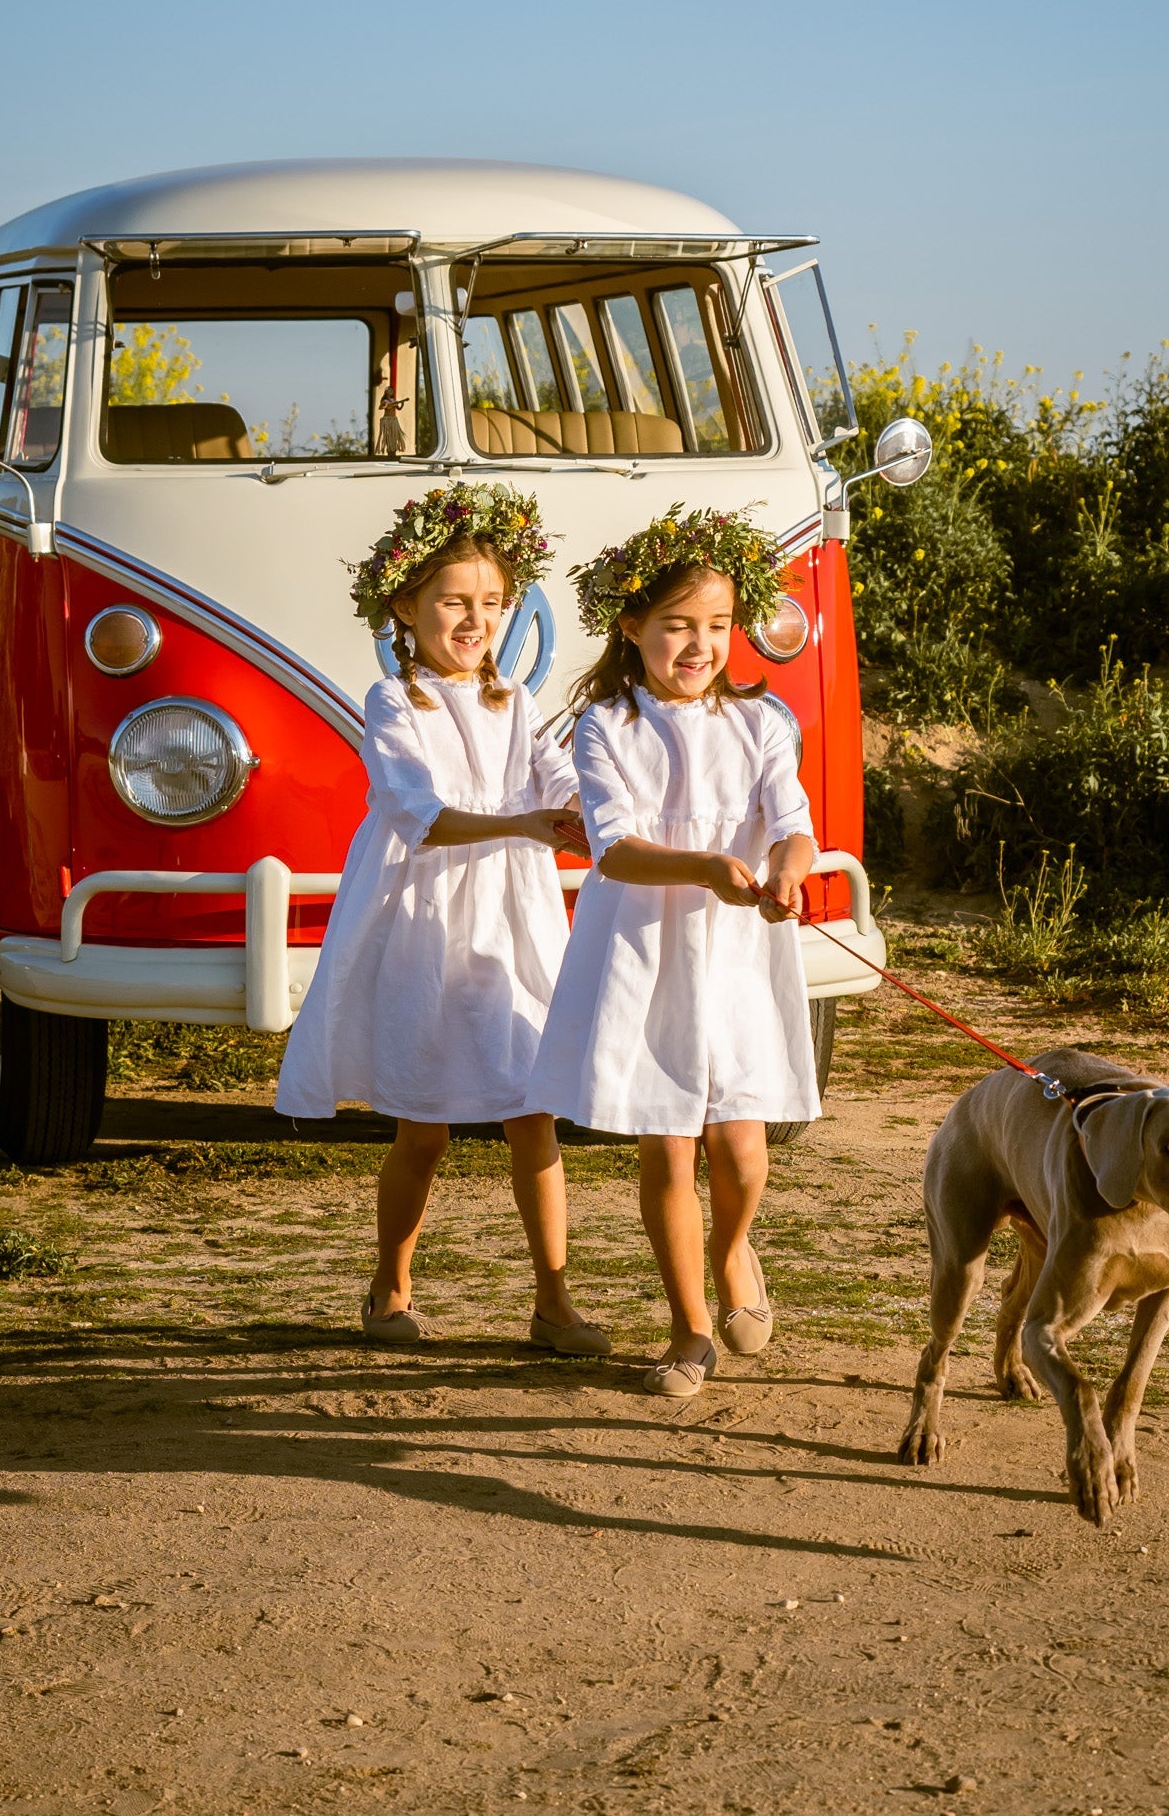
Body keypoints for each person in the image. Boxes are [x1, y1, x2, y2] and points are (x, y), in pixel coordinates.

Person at [274, 482, 610, 1357]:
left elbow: (554, 778)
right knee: (423, 1123)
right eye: (454, 602)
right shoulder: (396, 702)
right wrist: (525, 825)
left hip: (513, 918)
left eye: (492, 604)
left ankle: (554, 1300)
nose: (474, 621)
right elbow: (416, 812)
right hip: (426, 919)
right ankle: (389, 1283)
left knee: (532, 1111)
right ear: (405, 605)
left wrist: (590, 812)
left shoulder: (515, 701)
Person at [525, 507, 818, 1396]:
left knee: (743, 1151)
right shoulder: (606, 725)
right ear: (632, 628)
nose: (699, 646)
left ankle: (735, 1251)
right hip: (647, 948)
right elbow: (611, 848)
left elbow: (797, 826)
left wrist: (786, 873)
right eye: (678, 626)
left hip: (738, 951)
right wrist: (704, 867)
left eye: (718, 626)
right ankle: (690, 1328)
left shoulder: (762, 722)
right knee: (669, 1149)